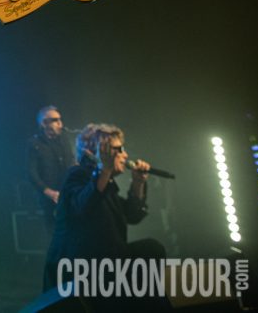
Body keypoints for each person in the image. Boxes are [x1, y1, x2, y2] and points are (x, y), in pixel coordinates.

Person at [44, 123, 167, 308]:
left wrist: (138, 183)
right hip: (78, 268)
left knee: (150, 251)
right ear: (94, 152)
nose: (125, 155)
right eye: (118, 149)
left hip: (104, 265)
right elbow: (84, 205)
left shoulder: (107, 184)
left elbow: (133, 215)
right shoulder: (77, 174)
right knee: (149, 250)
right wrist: (105, 169)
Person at [25, 105, 74, 234]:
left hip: (68, 194)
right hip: (49, 200)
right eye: (55, 120)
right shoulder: (34, 143)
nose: (60, 123)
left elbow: (70, 161)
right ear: (44, 123)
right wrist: (49, 192)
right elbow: (31, 173)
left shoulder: (64, 140)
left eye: (60, 119)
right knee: (55, 233)